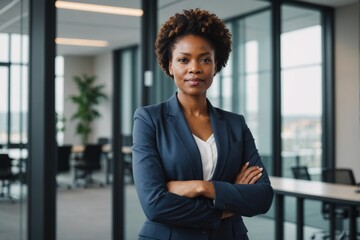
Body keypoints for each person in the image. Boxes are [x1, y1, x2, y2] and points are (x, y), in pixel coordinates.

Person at [132, 8, 274, 240]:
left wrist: (201, 187)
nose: (194, 68)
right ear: (170, 66)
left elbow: (263, 196)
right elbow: (155, 204)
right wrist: (229, 200)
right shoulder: (149, 119)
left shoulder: (235, 124)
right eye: (183, 59)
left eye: (205, 59)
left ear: (216, 65)